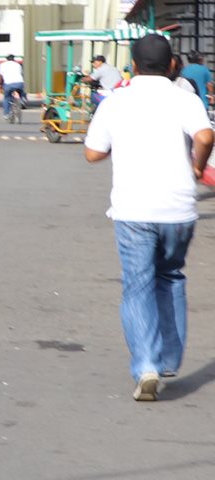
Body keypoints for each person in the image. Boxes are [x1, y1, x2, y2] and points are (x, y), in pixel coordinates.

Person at [84, 34, 213, 402]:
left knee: (138, 286)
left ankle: (147, 366)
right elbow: (205, 136)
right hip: (179, 209)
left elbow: (93, 153)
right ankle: (169, 359)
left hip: (134, 209)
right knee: (170, 276)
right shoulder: (185, 99)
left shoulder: (115, 101)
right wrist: (197, 166)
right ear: (172, 65)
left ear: (133, 66)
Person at [0, 54, 25, 119]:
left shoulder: (2, 65)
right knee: (21, 91)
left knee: (7, 98)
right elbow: (21, 74)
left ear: (7, 59)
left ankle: (6, 114)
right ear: (13, 59)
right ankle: (21, 101)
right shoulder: (18, 65)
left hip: (8, 84)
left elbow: (0, 77)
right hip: (19, 83)